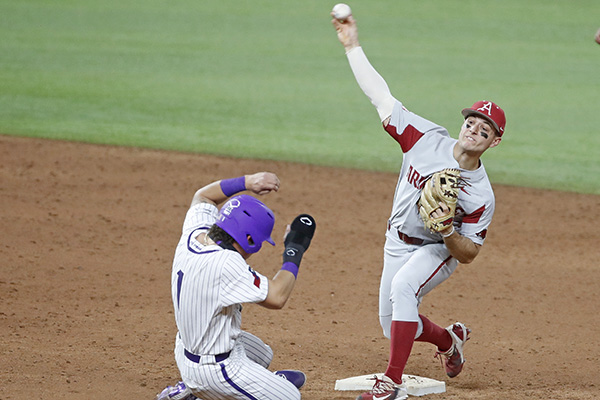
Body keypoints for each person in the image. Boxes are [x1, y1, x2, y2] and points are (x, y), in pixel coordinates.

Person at [331, 13, 506, 400]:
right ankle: (449, 340)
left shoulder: (480, 195)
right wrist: (351, 46)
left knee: (404, 287)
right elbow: (380, 95)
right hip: (397, 239)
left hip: (437, 250)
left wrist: (446, 231)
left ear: (494, 142)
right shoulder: (424, 138)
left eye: (485, 130)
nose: (475, 130)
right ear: (463, 123)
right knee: (391, 324)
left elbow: (471, 252)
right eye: (473, 122)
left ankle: (391, 383)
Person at [155, 172, 316, 400]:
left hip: (186, 348)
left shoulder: (195, 233)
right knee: (289, 396)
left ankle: (193, 388)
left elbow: (204, 196)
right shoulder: (226, 263)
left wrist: (248, 182)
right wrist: (295, 247)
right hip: (213, 371)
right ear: (248, 240)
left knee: (262, 355)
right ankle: (198, 392)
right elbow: (277, 296)